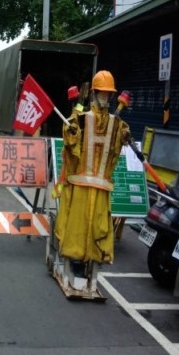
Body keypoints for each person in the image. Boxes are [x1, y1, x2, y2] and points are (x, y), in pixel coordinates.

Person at [54, 70, 131, 265]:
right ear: (95, 93)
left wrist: (125, 136)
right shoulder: (81, 118)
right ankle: (75, 258)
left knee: (98, 227)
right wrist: (71, 133)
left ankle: (94, 258)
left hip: (101, 187)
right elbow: (70, 138)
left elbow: (120, 140)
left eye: (108, 94)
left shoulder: (116, 123)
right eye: (102, 93)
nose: (105, 97)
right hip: (80, 184)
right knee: (78, 227)